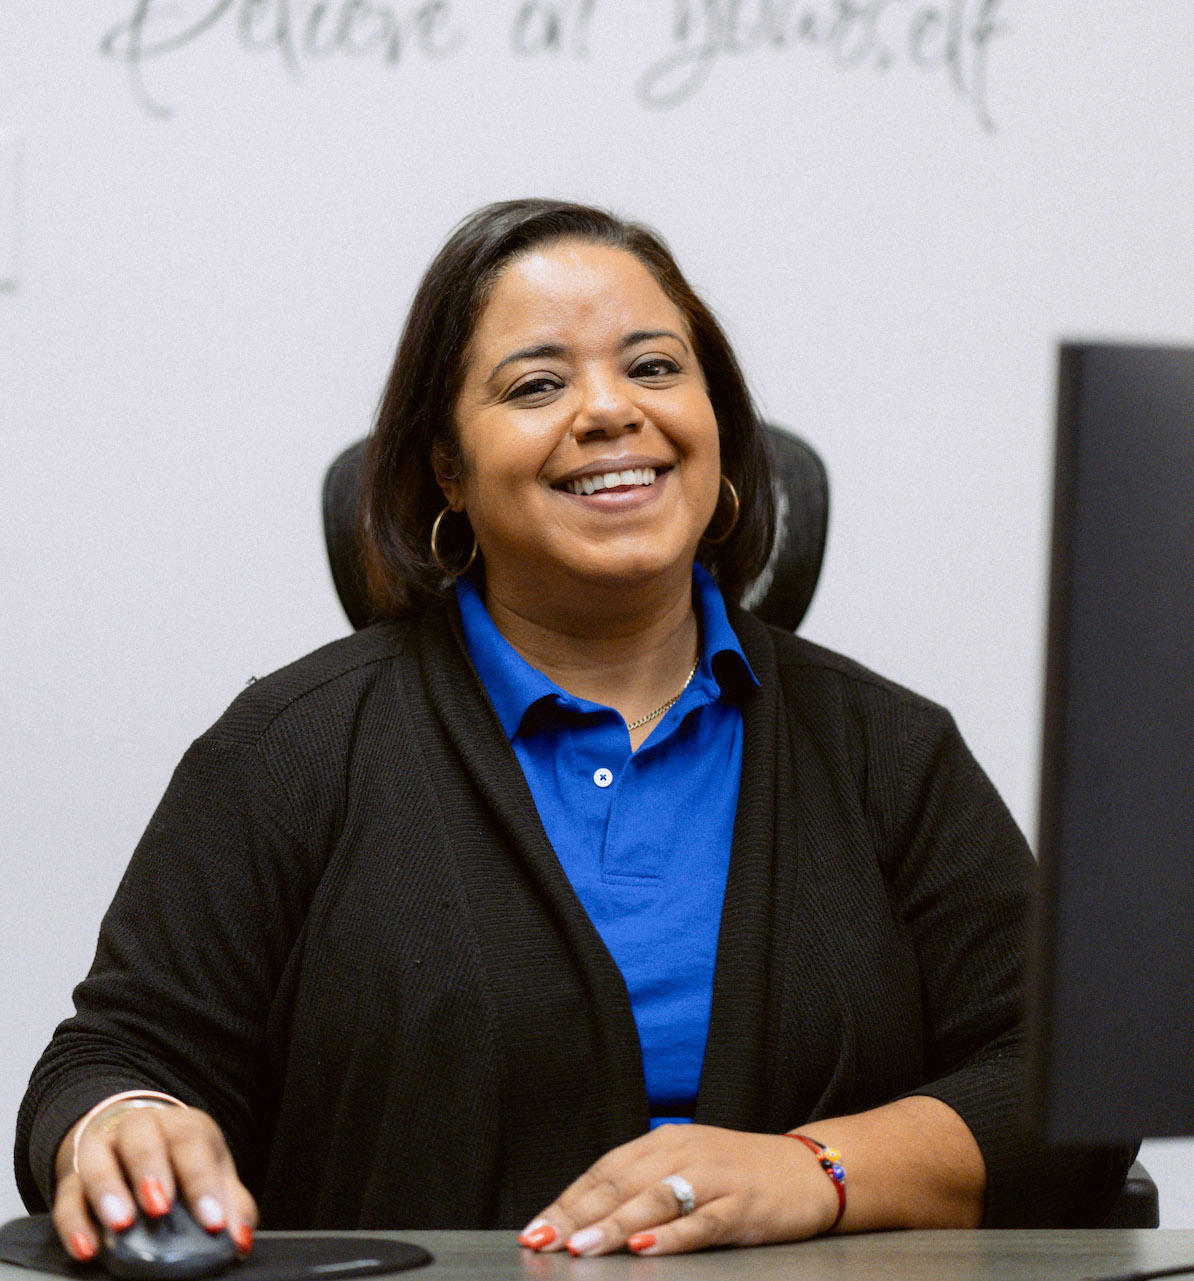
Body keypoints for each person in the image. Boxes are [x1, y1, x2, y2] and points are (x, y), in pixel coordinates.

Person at [16, 199, 1133, 1262]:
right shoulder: (291, 749)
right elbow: (113, 1061)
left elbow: (1062, 1089)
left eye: (655, 366)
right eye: (537, 383)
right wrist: (127, 1125)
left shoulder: (890, 752)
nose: (611, 409)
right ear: (445, 465)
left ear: (719, 433)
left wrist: (814, 1170)